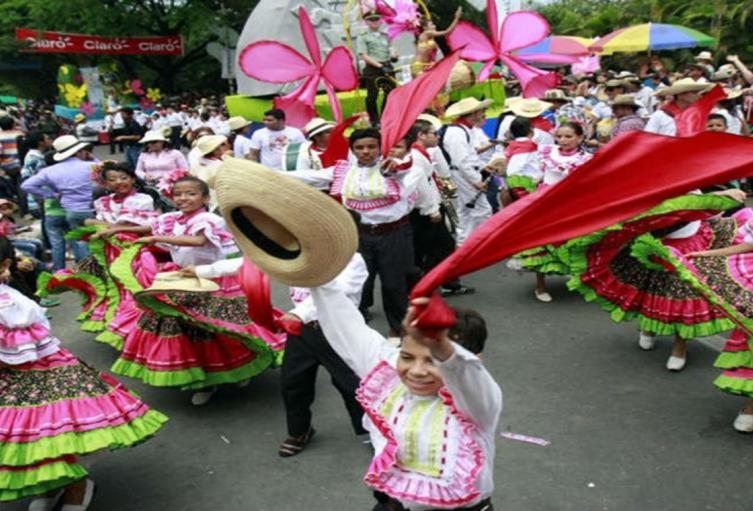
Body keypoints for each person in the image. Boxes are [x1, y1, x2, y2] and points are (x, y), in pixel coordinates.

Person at [0, 235, 168, 509]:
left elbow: (17, 354)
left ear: (3, 264)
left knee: (55, 438)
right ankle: (51, 489)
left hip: (39, 376)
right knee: (27, 444)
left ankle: (76, 490)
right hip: (11, 380)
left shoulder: (10, 305)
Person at [310, 275, 502, 510]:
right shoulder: (387, 375)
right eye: (407, 357)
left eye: (434, 361)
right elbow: (346, 326)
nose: (417, 371)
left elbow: (466, 373)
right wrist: (315, 276)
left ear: (473, 360)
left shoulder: (475, 403)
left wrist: (442, 347)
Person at [108, 176, 278, 406]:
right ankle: (206, 381)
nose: (183, 198)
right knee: (191, 331)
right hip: (183, 278)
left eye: (191, 193)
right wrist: (117, 229)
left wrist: (157, 238)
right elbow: (148, 227)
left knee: (225, 329)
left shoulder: (209, 219)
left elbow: (197, 241)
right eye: (178, 194)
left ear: (205, 198)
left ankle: (243, 369)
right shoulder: (172, 219)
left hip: (214, 280)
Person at [182, 253, 370, 456]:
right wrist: (201, 271)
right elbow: (255, 262)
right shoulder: (297, 256)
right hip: (302, 332)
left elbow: (338, 293)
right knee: (293, 383)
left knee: (352, 387)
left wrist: (299, 313)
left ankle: (372, 432)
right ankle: (300, 431)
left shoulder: (351, 261)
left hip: (339, 331)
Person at [287, 128, 424, 335]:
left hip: (394, 233)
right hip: (358, 234)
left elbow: (408, 171)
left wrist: (393, 168)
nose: (365, 152)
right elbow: (308, 176)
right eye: (359, 147)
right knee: (356, 284)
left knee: (394, 285)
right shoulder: (343, 171)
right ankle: (357, 332)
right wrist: (264, 173)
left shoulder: (396, 169)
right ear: (352, 150)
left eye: (371, 147)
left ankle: (399, 331)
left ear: (380, 148)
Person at [21, 135, 96, 264]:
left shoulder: (49, 171)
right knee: (92, 242)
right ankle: (93, 270)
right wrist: (93, 158)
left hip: (70, 211)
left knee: (78, 240)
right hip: (93, 209)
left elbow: (26, 185)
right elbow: (108, 170)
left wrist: (51, 195)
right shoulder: (92, 166)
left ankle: (71, 270)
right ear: (78, 151)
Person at [442, 98, 494, 246]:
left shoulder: (463, 130)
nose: (483, 113)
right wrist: (475, 180)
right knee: (481, 211)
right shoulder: (457, 132)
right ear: (474, 113)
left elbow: (468, 157)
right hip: (463, 175)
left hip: (465, 174)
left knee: (468, 212)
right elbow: (462, 161)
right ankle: (477, 243)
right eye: (480, 111)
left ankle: (468, 243)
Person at [358, 12, 398, 126]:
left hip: (387, 66)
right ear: (367, 22)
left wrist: (394, 55)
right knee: (372, 95)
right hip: (373, 68)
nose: (375, 22)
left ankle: (385, 117)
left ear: (380, 21)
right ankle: (374, 120)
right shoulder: (363, 36)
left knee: (390, 93)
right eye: (371, 20)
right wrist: (380, 66)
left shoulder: (385, 36)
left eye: (377, 20)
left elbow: (391, 49)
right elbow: (364, 55)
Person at [645, 78, 711, 136]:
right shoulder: (660, 115)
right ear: (681, 95)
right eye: (694, 92)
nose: (699, 96)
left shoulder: (699, 115)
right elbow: (648, 137)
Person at [411, 7, 463, 76]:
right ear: (425, 28)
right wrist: (457, 17)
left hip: (424, 66)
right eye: (431, 25)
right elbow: (447, 32)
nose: (434, 26)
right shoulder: (427, 33)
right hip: (418, 67)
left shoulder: (429, 37)